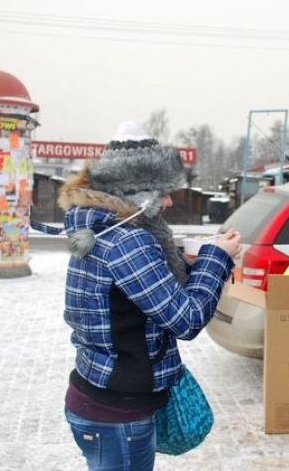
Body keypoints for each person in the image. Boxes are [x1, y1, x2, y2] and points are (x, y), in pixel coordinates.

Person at [59, 121, 241, 471]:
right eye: (161, 192)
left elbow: (140, 296)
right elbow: (186, 320)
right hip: (117, 413)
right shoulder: (128, 240)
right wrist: (216, 258)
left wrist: (187, 265)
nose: (169, 201)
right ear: (136, 192)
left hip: (99, 400)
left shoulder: (101, 228)